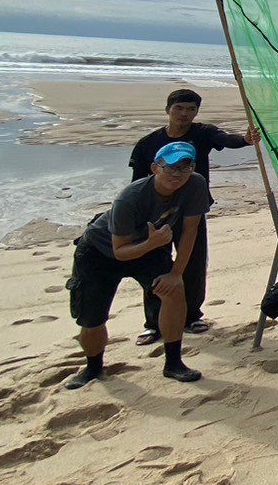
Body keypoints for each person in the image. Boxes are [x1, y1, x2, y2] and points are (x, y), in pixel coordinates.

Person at [64, 141, 206, 389]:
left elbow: (190, 230)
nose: (177, 174)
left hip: (150, 247)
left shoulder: (195, 184)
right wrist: (153, 243)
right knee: (92, 319)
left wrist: (176, 274)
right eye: (170, 167)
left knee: (175, 292)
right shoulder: (130, 198)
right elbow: (120, 252)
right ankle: (93, 367)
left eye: (185, 167)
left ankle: (174, 363)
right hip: (100, 253)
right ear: (154, 168)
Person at [129, 87, 259, 341]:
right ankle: (153, 323)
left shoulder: (202, 133)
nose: (184, 114)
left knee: (194, 261)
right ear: (167, 110)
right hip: (156, 213)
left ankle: (192, 316)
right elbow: (137, 183)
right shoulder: (148, 144)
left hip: (192, 209)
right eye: (178, 108)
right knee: (156, 264)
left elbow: (227, 139)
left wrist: (245, 139)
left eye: (191, 109)